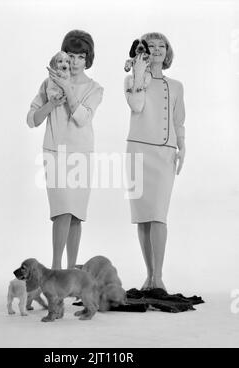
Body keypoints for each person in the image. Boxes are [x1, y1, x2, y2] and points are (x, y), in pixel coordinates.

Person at [26, 30, 103, 269]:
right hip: (55, 153)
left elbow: (82, 118)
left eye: (81, 56)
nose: (75, 61)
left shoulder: (95, 88)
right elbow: (32, 120)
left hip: (82, 154)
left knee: (76, 215)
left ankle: (71, 272)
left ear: (88, 58)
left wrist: (67, 89)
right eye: (70, 55)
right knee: (62, 211)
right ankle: (56, 268)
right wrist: (52, 102)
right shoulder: (47, 85)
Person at [124, 32, 185, 290]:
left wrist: (182, 147)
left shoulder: (177, 86)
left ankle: (158, 276)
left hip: (165, 154)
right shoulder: (132, 79)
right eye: (152, 45)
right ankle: (149, 276)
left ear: (167, 51)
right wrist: (139, 73)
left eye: (163, 45)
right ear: (144, 51)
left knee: (159, 214)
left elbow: (178, 121)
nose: (158, 49)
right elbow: (137, 106)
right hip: (138, 151)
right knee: (143, 216)